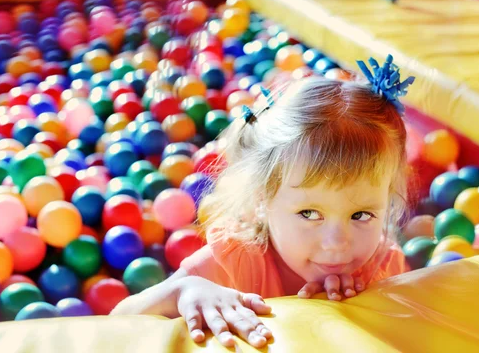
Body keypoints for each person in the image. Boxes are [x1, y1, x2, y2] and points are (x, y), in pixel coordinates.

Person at [111, 55, 415, 348]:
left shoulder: (383, 264)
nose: (337, 242)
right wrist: (182, 290)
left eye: (361, 215)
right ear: (261, 198)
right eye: (309, 213)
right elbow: (115, 322)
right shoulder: (234, 261)